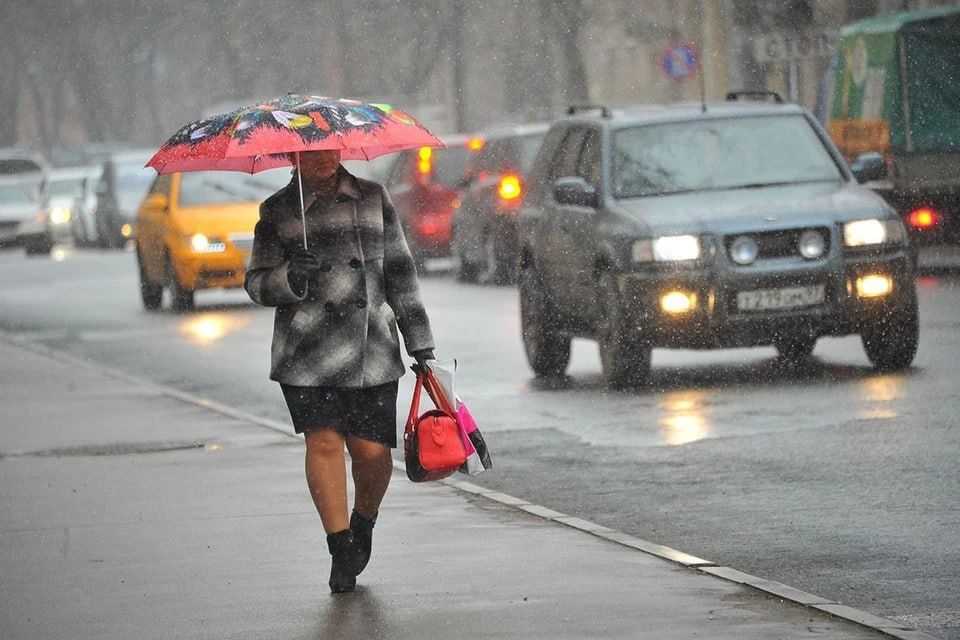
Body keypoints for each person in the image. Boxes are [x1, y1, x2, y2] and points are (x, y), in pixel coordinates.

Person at [244, 149, 435, 594]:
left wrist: (420, 338)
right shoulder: (277, 210)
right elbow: (256, 281)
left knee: (372, 454)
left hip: (372, 349)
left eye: (329, 150)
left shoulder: (372, 197)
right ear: (294, 156)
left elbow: (400, 271)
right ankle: (339, 549)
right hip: (307, 351)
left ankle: (362, 523)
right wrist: (289, 276)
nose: (322, 159)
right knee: (325, 442)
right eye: (311, 153)